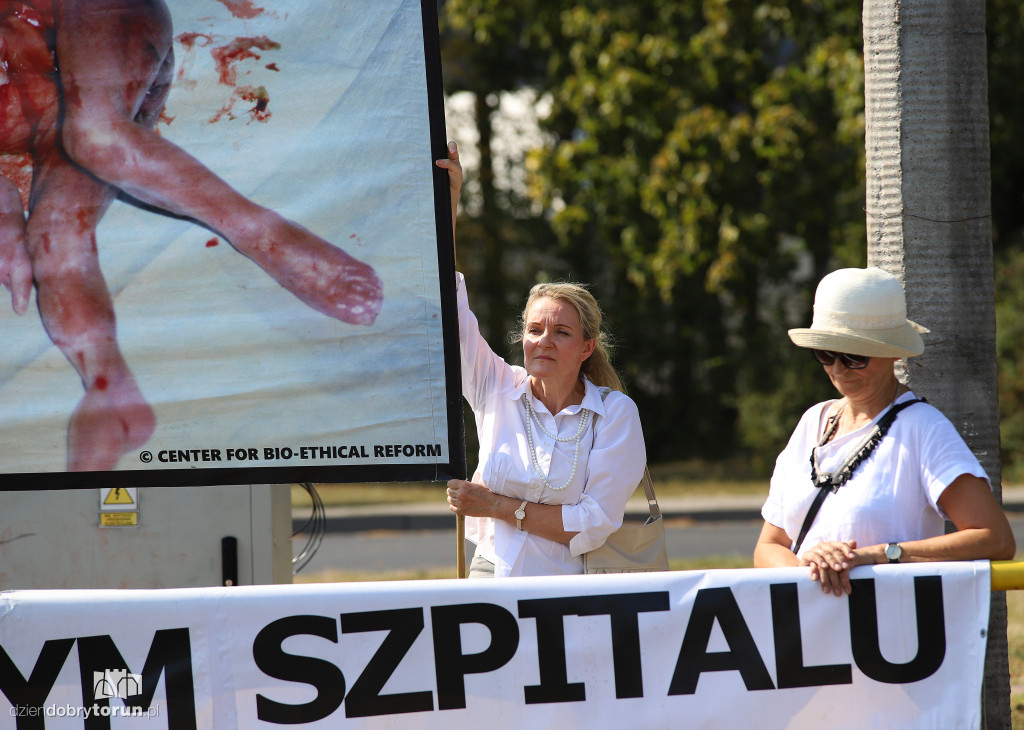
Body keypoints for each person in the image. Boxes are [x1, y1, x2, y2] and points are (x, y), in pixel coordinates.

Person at [0, 0, 382, 471]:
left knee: (95, 134)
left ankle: (262, 233)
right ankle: (108, 388)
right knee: (54, 238)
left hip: (94, 24)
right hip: (53, 117)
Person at [435, 141, 646, 577]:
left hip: (570, 589)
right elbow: (448, 311)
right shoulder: (497, 387)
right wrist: (448, 201)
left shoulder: (615, 414)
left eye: (561, 332)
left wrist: (495, 505)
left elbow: (594, 523)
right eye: (535, 330)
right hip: (491, 574)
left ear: (587, 348)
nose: (544, 341)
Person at [753, 267, 1015, 596]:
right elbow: (769, 546)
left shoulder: (923, 428)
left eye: (854, 356)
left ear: (893, 352)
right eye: (826, 353)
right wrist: (813, 570)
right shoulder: (812, 422)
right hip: (809, 624)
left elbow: (995, 539)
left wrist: (878, 555)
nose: (838, 369)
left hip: (891, 625)